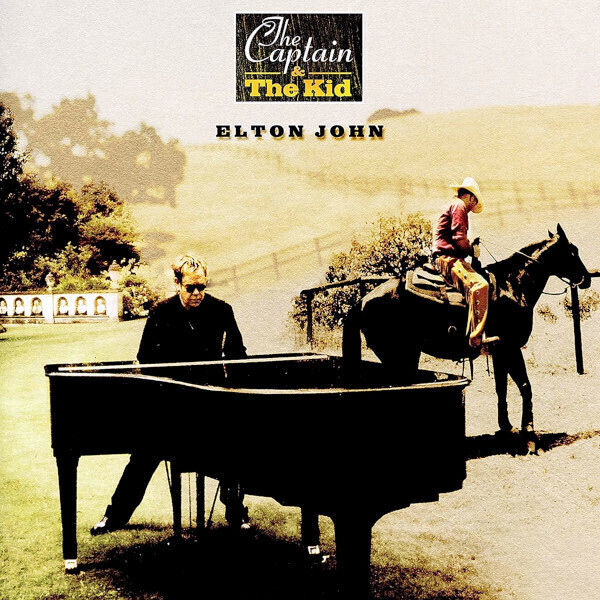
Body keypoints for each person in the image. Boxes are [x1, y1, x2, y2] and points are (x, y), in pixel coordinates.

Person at [91, 254, 249, 535]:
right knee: (143, 455)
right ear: (177, 284)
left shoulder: (222, 310)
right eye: (190, 288)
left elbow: (238, 355)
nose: (197, 293)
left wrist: (232, 391)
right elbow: (145, 359)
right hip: (170, 406)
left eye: (202, 286)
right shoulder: (160, 313)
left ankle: (236, 512)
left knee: (234, 447)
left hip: (210, 403)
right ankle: (115, 515)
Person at [432, 177, 498, 352]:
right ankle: (476, 338)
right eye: (474, 202)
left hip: (447, 256)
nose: (472, 207)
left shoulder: (454, 205)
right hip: (447, 259)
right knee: (480, 285)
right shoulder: (460, 206)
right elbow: (459, 238)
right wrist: (471, 250)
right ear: (471, 197)